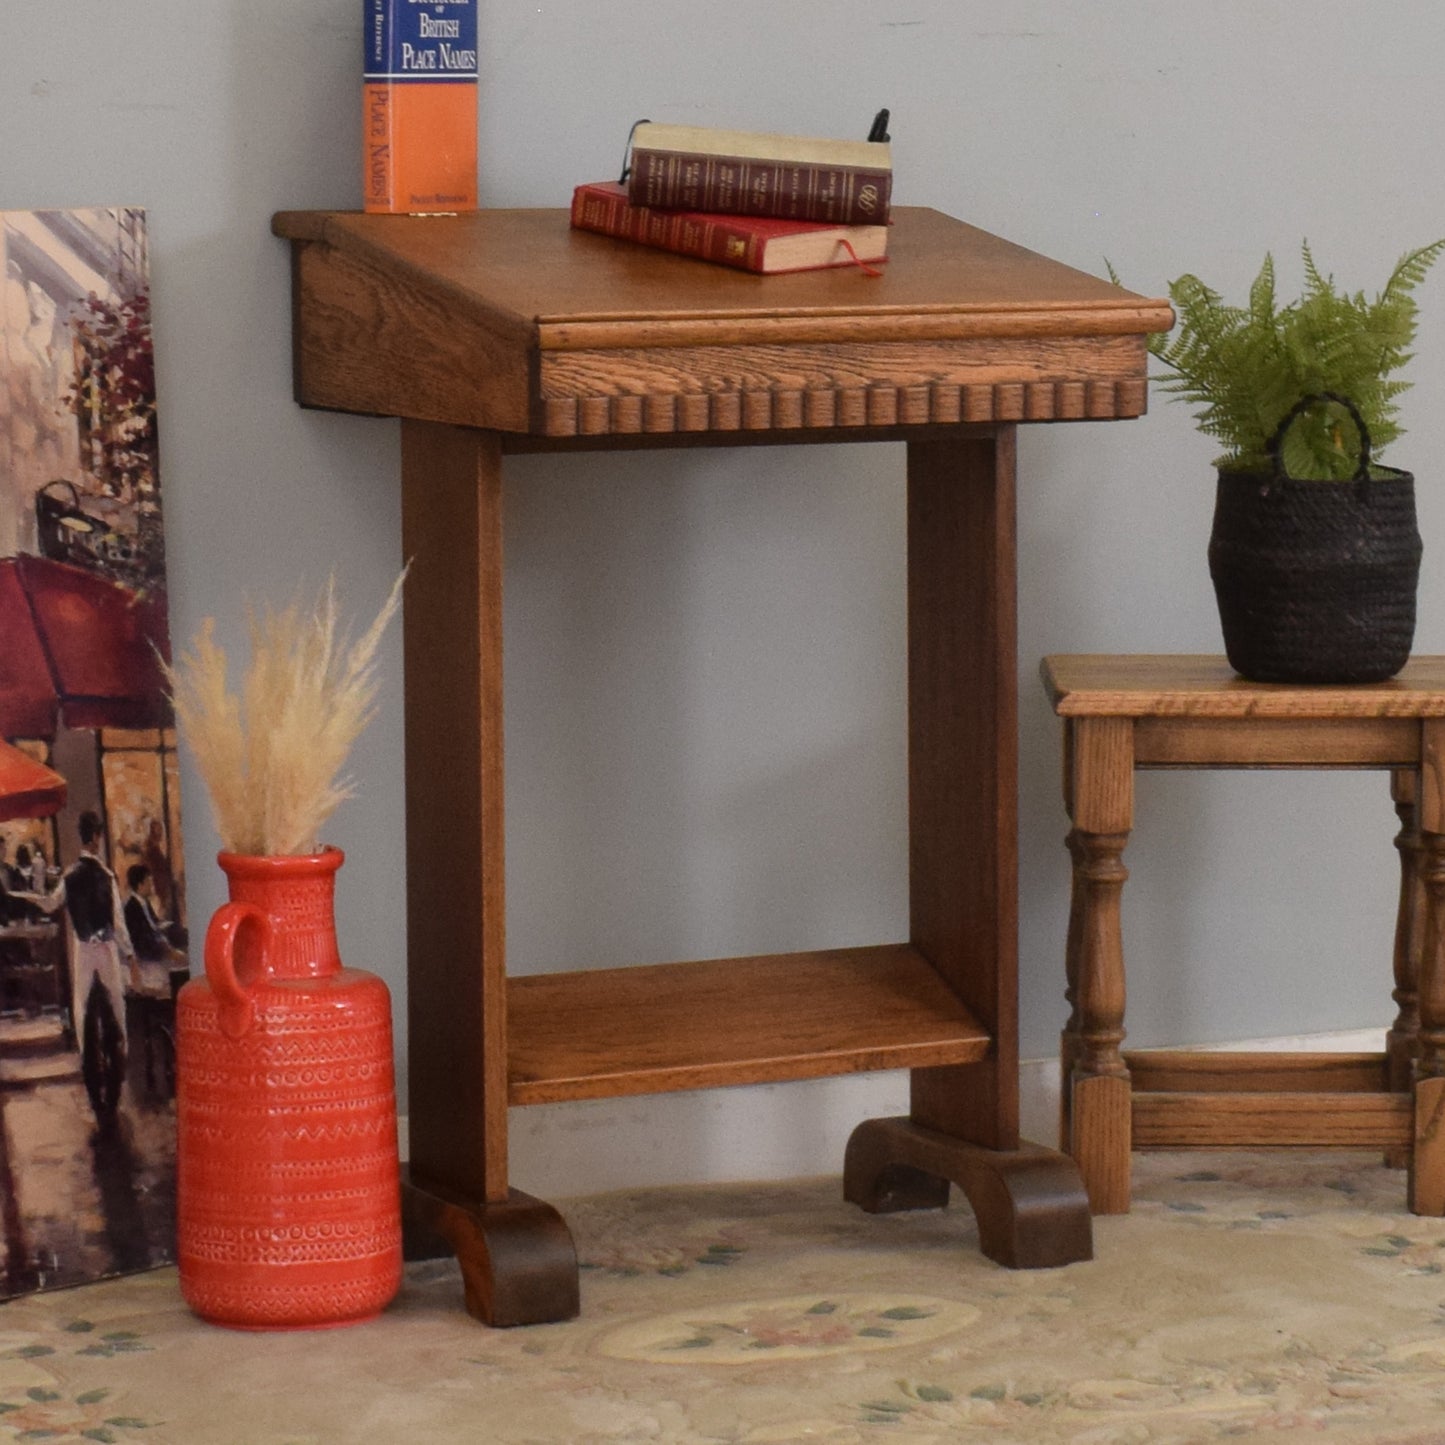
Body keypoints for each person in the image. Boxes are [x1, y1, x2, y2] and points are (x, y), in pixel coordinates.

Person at [33, 812, 138, 1109]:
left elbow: (50, 904)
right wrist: (129, 957)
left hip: (83, 949)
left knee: (82, 1009)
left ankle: (89, 1065)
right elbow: (118, 924)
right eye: (100, 836)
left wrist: (33, 894)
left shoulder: (69, 876)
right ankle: (119, 1060)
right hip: (105, 949)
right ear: (95, 837)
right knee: (117, 1007)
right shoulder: (107, 877)